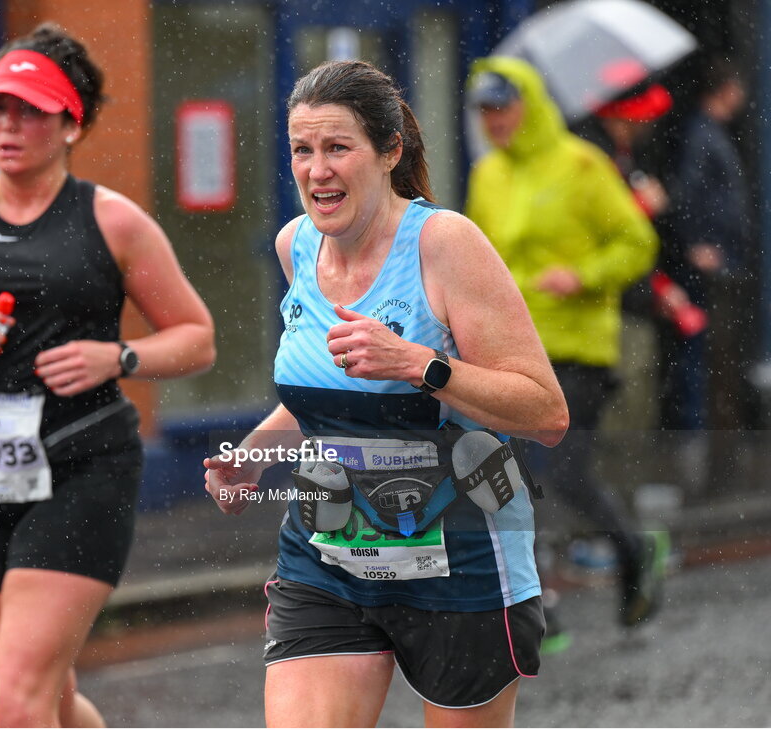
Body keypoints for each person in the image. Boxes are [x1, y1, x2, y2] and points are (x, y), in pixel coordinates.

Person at [0, 23, 215, 727]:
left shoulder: (113, 222)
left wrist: (118, 357)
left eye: (29, 109)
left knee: (19, 703)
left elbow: (199, 339)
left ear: (71, 125)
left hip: (84, 468)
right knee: (47, 697)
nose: (7, 123)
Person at [205, 60, 567, 727]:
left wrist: (420, 364)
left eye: (338, 148)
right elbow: (327, 388)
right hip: (328, 556)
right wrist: (255, 452)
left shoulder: (444, 244)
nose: (317, 170)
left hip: (459, 561)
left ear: (389, 151)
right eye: (302, 150)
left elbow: (545, 412)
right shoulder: (296, 248)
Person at [464, 56, 667, 635]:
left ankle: (632, 552)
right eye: (484, 111)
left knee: (566, 473)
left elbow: (638, 242)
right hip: (509, 350)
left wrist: (581, 274)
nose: (494, 121)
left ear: (530, 104)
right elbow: (477, 261)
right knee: (510, 476)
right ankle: (536, 607)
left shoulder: (582, 165)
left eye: (503, 108)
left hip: (577, 347)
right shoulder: (488, 175)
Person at [661, 58, 753, 438]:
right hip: (706, 265)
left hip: (720, 260)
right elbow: (688, 195)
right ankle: (691, 440)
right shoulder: (702, 134)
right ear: (726, 88)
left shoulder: (710, 132)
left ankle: (701, 438)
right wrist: (696, 244)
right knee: (698, 356)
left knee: (710, 355)